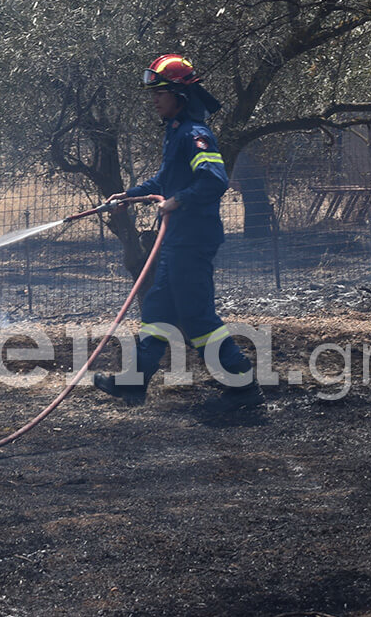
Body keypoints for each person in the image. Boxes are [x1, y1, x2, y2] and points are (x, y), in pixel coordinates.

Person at [93, 55, 263, 411]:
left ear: (180, 96)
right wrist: (129, 196)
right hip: (178, 241)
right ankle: (133, 383)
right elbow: (164, 181)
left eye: (161, 93)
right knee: (157, 311)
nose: (154, 100)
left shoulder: (196, 135)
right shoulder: (175, 134)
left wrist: (178, 201)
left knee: (197, 317)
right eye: (153, 93)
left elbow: (214, 181)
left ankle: (242, 386)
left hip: (193, 239)